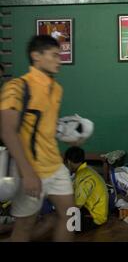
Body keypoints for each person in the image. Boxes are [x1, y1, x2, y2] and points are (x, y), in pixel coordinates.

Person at [0, 35, 74, 241]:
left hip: (55, 166)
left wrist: (70, 136)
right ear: (36, 56)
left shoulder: (57, 89)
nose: (59, 60)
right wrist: (27, 172)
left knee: (69, 214)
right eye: (54, 55)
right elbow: (7, 131)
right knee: (24, 226)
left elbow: (46, 127)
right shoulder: (16, 87)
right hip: (31, 169)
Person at [64, 146, 109, 232]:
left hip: (95, 218)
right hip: (98, 211)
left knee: (62, 220)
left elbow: (76, 206)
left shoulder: (83, 179)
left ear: (69, 161)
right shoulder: (87, 170)